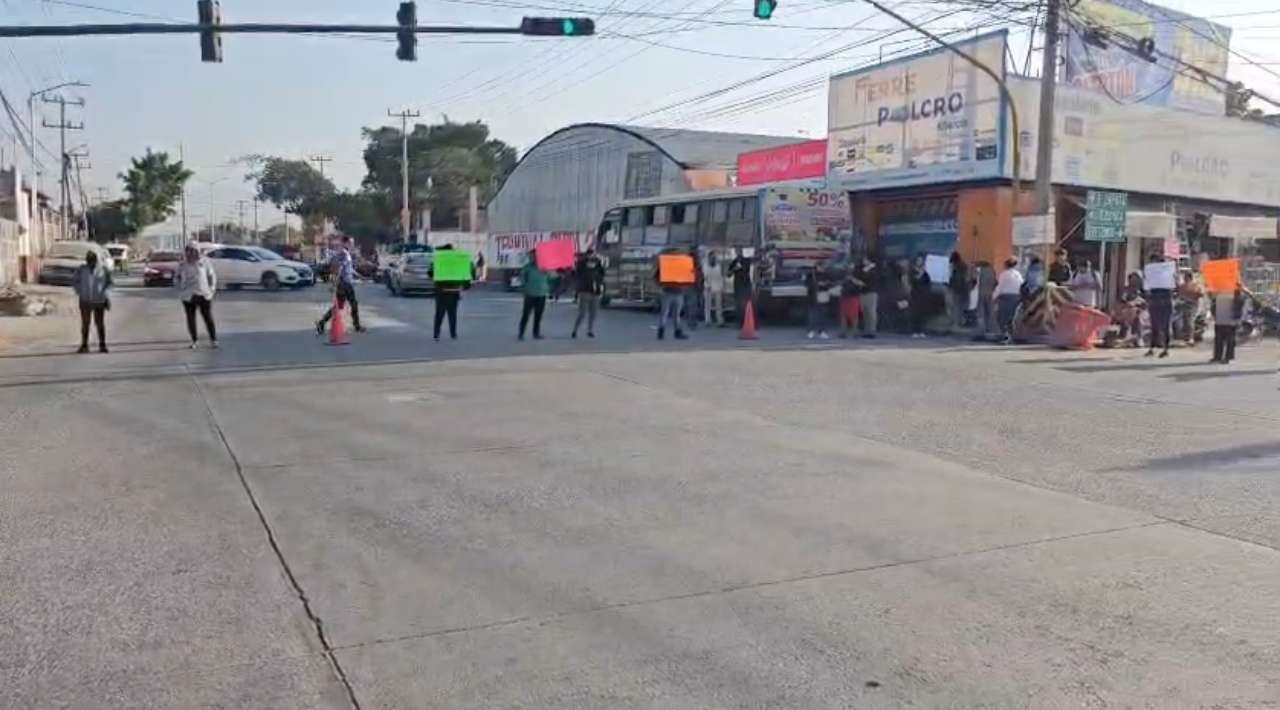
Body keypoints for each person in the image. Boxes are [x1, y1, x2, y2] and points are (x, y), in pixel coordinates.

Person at [316, 235, 365, 335]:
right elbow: (340, 269)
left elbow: (349, 269)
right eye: (350, 243)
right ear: (345, 243)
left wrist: (360, 276)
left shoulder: (346, 253)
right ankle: (357, 326)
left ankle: (321, 322)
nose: (352, 245)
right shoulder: (343, 253)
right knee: (353, 304)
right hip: (345, 284)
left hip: (345, 282)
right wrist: (334, 284)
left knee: (339, 306)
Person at [174, 243, 218, 349]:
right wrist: (180, 288)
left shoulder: (205, 262)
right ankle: (194, 340)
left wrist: (212, 289)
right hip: (188, 295)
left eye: (194, 251)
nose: (192, 253)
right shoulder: (182, 265)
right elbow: (177, 278)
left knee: (208, 317)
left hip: (204, 294)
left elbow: (211, 276)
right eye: (189, 251)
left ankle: (214, 340)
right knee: (191, 318)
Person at [72, 250, 112, 354]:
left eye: (93, 261)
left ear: (96, 260)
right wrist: (80, 291)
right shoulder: (81, 270)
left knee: (99, 324)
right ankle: (84, 345)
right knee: (85, 323)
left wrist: (105, 294)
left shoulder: (103, 269)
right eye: (89, 261)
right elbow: (74, 281)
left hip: (99, 300)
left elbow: (109, 283)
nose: (91, 263)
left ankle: (102, 345)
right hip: (85, 300)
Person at [430, 244, 471, 340]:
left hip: (441, 292)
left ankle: (436, 334)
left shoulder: (438, 260)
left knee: (439, 314)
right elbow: (464, 273)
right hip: (453, 292)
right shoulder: (457, 260)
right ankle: (453, 334)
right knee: (452, 314)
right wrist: (465, 286)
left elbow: (430, 273)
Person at [1143, 254, 1175, 358]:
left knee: (1164, 326)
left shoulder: (1168, 274)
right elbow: (1146, 288)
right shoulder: (1151, 274)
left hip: (1163, 301)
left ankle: (1165, 349)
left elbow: (1174, 286)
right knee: (1155, 326)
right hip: (1158, 301)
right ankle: (1153, 348)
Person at [654, 252, 690, 340]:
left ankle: (661, 333)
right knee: (675, 314)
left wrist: (661, 286)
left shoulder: (666, 265)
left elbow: (656, 277)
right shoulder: (679, 266)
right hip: (676, 292)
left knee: (666, 313)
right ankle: (676, 332)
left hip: (669, 292)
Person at [571, 247, 605, 338]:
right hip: (585, 290)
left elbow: (602, 275)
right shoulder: (581, 264)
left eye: (592, 254)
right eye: (590, 254)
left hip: (595, 291)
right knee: (582, 313)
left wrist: (600, 286)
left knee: (593, 313)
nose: (591, 256)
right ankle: (575, 330)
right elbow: (576, 273)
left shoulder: (598, 263)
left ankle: (590, 330)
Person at [1210, 285, 1248, 364]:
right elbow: (1212, 298)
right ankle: (1217, 357)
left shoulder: (1236, 288)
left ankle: (1228, 357)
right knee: (1218, 339)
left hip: (1230, 319)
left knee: (1230, 339)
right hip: (1220, 317)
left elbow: (1242, 299)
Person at [518, 250, 550, 340]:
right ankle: (521, 333)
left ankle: (536, 333)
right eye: (532, 256)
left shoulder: (544, 267)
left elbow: (552, 276)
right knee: (526, 315)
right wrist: (523, 289)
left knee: (538, 315)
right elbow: (522, 278)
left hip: (541, 294)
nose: (534, 258)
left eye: (536, 256)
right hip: (530, 294)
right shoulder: (527, 267)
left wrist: (548, 271)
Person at [994, 257, 1024, 345]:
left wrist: (994, 297)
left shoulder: (1004, 274)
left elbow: (1000, 287)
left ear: (1006, 265)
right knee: (1011, 318)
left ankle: (1006, 335)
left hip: (1005, 297)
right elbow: (1021, 285)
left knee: (1001, 317)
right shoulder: (1018, 274)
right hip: (1016, 297)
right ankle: (1011, 336)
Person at [838, 261, 866, 338]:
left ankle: (855, 332)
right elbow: (839, 283)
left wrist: (853, 279)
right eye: (848, 266)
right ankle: (843, 332)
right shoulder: (842, 274)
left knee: (854, 315)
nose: (850, 267)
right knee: (844, 315)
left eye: (851, 266)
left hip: (854, 296)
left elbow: (862, 283)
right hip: (844, 296)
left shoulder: (858, 274)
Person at [805, 262, 832, 339]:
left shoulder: (826, 274)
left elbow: (831, 283)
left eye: (824, 267)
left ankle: (822, 332)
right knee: (812, 316)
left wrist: (826, 284)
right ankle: (811, 331)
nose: (823, 268)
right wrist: (817, 284)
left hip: (823, 297)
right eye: (821, 267)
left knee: (823, 316)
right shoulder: (811, 274)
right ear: (817, 267)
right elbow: (806, 284)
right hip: (813, 297)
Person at [972, 261, 998, 341]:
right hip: (989, 293)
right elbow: (996, 282)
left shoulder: (979, 271)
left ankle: (980, 331)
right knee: (990, 312)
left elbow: (974, 281)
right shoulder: (992, 271)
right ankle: (991, 330)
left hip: (981, 293)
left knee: (981, 313)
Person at [908, 254, 933, 338]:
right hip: (915, 295)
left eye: (921, 260)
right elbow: (914, 280)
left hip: (923, 296)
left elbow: (928, 283)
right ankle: (915, 331)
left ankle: (921, 331)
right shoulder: (912, 270)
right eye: (918, 260)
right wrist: (921, 272)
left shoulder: (925, 273)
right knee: (915, 314)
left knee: (922, 314)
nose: (920, 262)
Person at [1176, 270, 1204, 346]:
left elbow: (1201, 294)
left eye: (1186, 277)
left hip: (1192, 305)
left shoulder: (1195, 285)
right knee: (1183, 321)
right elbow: (1179, 294)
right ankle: (1185, 337)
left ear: (1189, 277)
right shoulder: (1182, 286)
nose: (1184, 278)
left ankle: (1191, 338)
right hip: (1183, 305)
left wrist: (1194, 295)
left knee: (1190, 321)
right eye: (1184, 277)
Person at [947, 251, 973, 330]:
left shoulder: (956, 268)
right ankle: (959, 322)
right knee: (961, 307)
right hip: (964, 290)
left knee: (955, 307)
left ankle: (956, 323)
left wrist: (950, 286)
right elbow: (968, 279)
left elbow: (955, 280)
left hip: (957, 290)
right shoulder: (964, 266)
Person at [857, 254, 880, 338]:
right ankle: (866, 331)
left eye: (865, 260)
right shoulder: (863, 269)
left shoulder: (874, 269)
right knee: (865, 312)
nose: (864, 262)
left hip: (871, 292)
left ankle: (872, 331)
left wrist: (866, 272)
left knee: (871, 313)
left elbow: (870, 278)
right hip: (863, 292)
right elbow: (859, 275)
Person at [702, 251, 727, 327]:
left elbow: (722, 277)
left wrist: (722, 287)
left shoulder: (719, 266)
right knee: (707, 305)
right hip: (708, 287)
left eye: (714, 257)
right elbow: (704, 276)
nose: (713, 258)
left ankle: (720, 321)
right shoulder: (705, 266)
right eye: (711, 257)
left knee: (718, 306)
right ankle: (707, 320)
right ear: (709, 258)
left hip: (717, 287)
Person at [728, 251, 754, 324]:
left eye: (740, 252)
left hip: (746, 285)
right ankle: (740, 322)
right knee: (739, 305)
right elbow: (728, 274)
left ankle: (749, 321)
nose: (739, 254)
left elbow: (753, 261)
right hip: (738, 286)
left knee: (747, 304)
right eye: (737, 252)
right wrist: (734, 269)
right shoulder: (734, 262)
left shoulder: (746, 260)